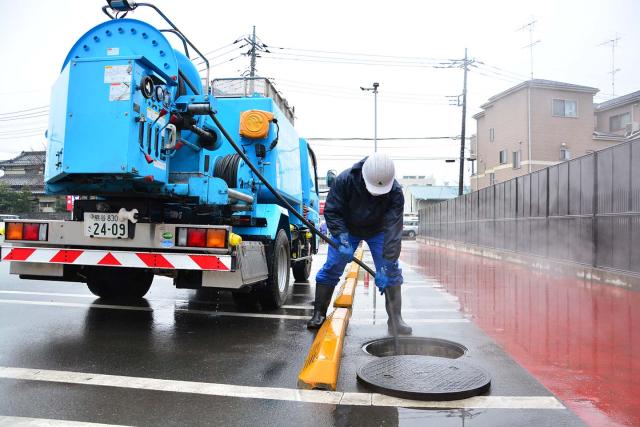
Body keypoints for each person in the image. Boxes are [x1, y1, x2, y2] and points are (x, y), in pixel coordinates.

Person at [307, 153, 412, 335]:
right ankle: (319, 313)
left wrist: (385, 269)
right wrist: (343, 239)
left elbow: (393, 232)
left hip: (378, 230)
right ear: (364, 176)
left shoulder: (395, 192)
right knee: (332, 266)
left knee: (392, 270)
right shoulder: (345, 180)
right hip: (347, 228)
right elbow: (332, 212)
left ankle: (395, 319)